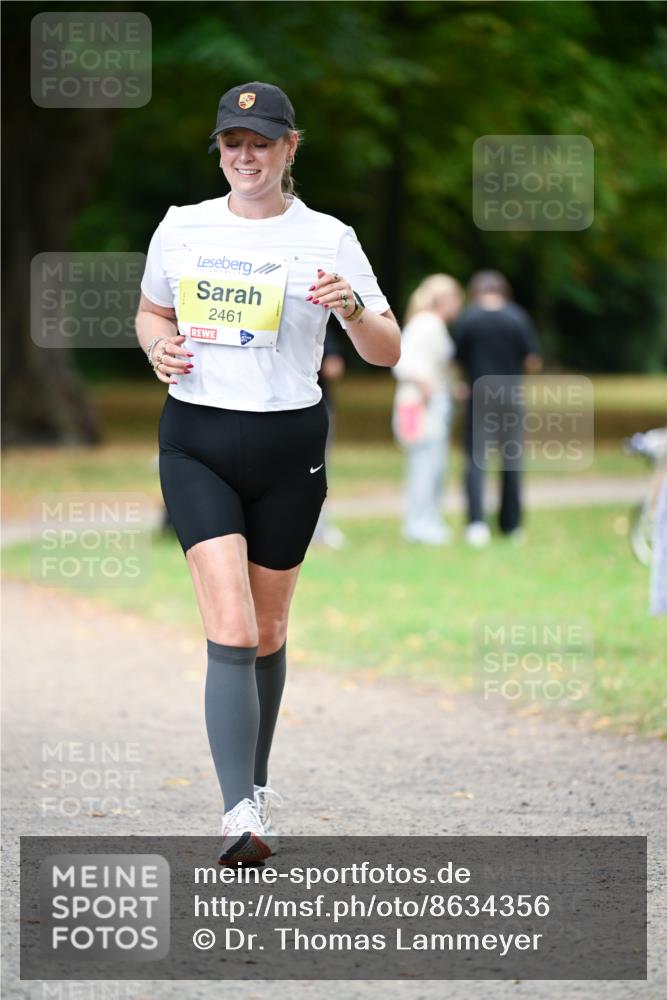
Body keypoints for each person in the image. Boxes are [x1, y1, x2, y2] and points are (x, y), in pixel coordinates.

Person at [135, 82, 400, 863]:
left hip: (290, 449)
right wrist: (158, 348)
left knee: (270, 631)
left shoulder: (328, 236)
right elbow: (152, 311)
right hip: (197, 440)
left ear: (290, 148)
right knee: (233, 625)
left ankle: (254, 787)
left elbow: (386, 350)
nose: (244, 156)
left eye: (260, 142)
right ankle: (236, 814)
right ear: (219, 150)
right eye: (231, 143)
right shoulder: (182, 228)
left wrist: (351, 307)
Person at [454, 270, 541, 546]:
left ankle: (476, 523)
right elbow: (532, 361)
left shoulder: (469, 317)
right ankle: (511, 524)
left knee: (476, 460)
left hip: (479, 395)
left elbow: (456, 359)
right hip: (510, 395)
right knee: (512, 459)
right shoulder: (518, 317)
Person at [391, 274, 463, 544]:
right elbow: (403, 363)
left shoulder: (430, 325)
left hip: (430, 402)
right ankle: (420, 524)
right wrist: (429, 389)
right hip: (421, 405)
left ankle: (427, 520)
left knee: (433, 465)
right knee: (425, 465)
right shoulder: (427, 324)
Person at [312, 319, 347, 549]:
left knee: (317, 470)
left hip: (315, 406)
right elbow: (334, 368)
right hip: (311, 407)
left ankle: (319, 529)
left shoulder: (318, 322)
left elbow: (333, 366)